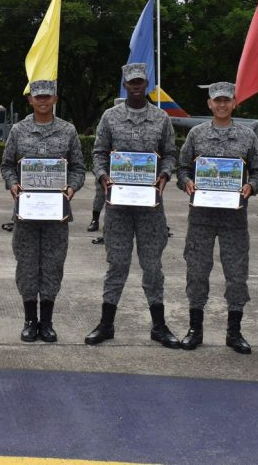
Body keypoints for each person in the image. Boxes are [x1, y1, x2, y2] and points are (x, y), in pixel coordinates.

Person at [84, 64, 180, 348]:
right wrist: (103, 177)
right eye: (131, 82)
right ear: (125, 85)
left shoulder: (161, 118)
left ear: (146, 84)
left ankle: (159, 326)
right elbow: (98, 153)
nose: (136, 86)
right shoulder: (110, 117)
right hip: (118, 207)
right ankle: (106, 324)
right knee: (117, 264)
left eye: (140, 82)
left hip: (150, 207)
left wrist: (165, 175)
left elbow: (170, 154)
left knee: (152, 266)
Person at [177, 81, 258, 354]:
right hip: (201, 217)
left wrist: (252, 185)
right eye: (217, 100)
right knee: (197, 272)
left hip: (234, 219)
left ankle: (234, 332)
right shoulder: (197, 134)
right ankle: (195, 329)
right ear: (210, 104)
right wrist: (187, 182)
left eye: (227, 100)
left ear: (234, 103)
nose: (222, 104)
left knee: (236, 275)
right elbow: (182, 167)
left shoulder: (247, 136)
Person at [0, 80, 84, 343]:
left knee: (52, 265)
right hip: (26, 212)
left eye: (48, 97)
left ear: (55, 99)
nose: (43, 101)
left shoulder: (68, 131)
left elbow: (78, 168)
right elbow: (6, 165)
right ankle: (29, 320)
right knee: (26, 265)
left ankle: (46, 321)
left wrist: (72, 187)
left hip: (56, 213)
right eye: (38, 97)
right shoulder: (18, 130)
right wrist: (12, 184)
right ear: (30, 100)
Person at [87, 98, 124, 241]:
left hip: (124, 170)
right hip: (106, 168)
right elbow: (100, 148)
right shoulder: (108, 122)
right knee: (100, 196)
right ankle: (95, 220)